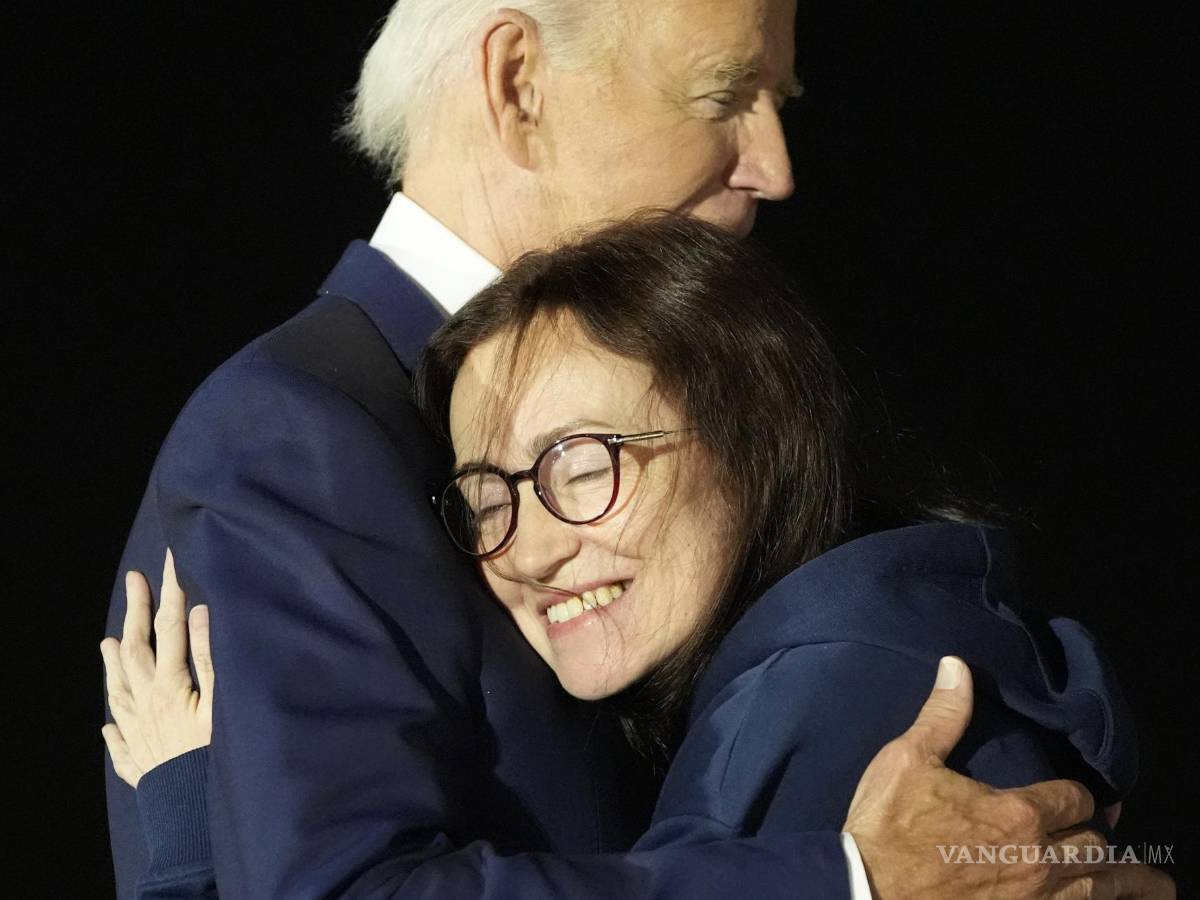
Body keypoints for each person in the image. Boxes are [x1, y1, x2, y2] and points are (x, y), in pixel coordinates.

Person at [101, 1, 1141, 898]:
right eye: (722, 93)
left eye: (584, 469)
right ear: (518, 85)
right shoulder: (297, 438)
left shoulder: (846, 596)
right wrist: (850, 879)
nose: (776, 167)